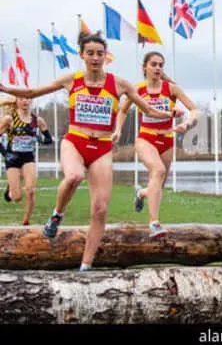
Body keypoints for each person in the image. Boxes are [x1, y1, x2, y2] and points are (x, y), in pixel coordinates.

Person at [0, 32, 180, 271]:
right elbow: (33, 93)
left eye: (100, 53)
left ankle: (85, 266)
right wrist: (5, 88)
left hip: (102, 147)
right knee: (74, 176)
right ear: (82, 55)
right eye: (90, 53)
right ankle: (57, 214)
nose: (95, 58)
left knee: (100, 209)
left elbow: (147, 109)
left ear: (106, 56)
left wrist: (169, 114)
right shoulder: (72, 80)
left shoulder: (119, 84)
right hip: (75, 141)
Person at [112, 51, 199, 237]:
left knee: (158, 185)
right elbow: (123, 111)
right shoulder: (138, 89)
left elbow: (194, 109)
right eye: (153, 64)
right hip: (146, 138)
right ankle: (154, 223)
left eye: (161, 65)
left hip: (167, 139)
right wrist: (118, 130)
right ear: (145, 68)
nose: (157, 68)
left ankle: (141, 193)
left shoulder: (171, 89)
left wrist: (186, 123)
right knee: (158, 171)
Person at [0, 96, 53, 225]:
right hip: (13, 158)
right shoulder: (9, 119)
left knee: (30, 190)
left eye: (27, 98)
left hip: (28, 158)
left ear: (31, 100)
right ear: (16, 101)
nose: (25, 101)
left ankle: (26, 221)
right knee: (17, 197)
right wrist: (5, 154)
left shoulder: (37, 120)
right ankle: (10, 189)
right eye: (21, 98)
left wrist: (40, 138)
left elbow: (49, 140)